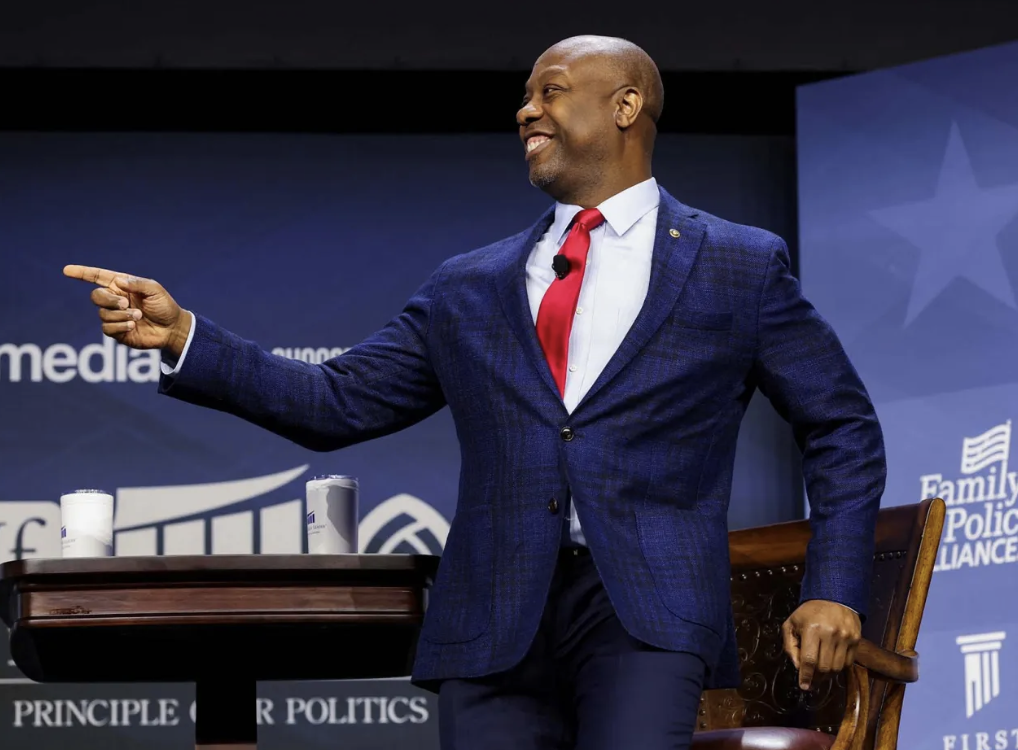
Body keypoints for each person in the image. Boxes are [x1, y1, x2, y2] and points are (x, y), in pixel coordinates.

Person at [64, 35, 885, 750]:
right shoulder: (471, 284)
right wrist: (184, 338)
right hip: (493, 617)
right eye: (524, 97)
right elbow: (335, 400)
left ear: (627, 104)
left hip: (646, 617)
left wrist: (834, 588)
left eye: (550, 91)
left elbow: (842, 427)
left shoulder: (737, 264)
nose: (526, 111)